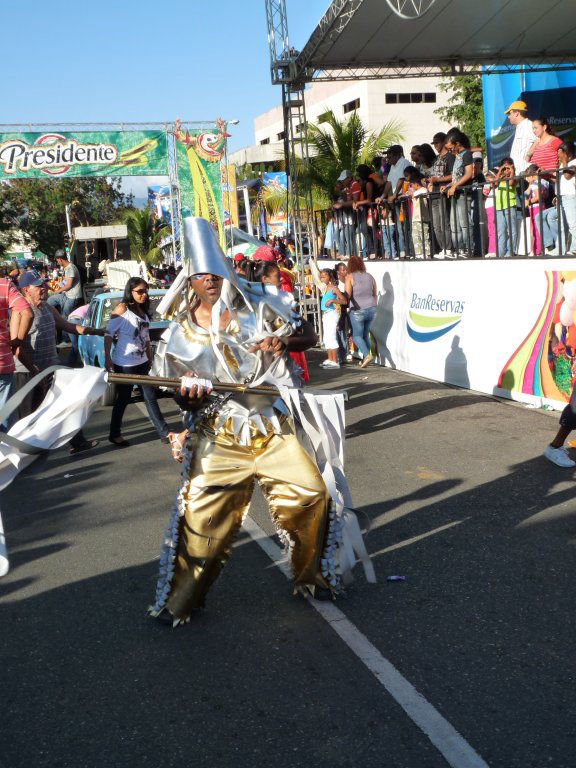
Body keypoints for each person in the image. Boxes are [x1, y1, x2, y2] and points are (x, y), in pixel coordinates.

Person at [148, 217, 368, 626]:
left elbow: (307, 335)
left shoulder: (259, 306)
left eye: (215, 272)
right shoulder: (179, 335)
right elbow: (179, 395)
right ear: (190, 282)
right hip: (220, 432)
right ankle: (181, 601)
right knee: (200, 515)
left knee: (311, 495)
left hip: (271, 426)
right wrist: (189, 394)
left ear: (226, 271)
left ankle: (313, 577)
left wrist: (281, 341)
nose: (210, 281)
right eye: (200, 275)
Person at [13, 270, 102, 453]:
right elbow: (17, 348)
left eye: (43, 284)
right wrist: (34, 369)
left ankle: (78, 443)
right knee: (29, 415)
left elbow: (68, 326)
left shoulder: (47, 307)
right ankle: (23, 452)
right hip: (27, 372)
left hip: (51, 369)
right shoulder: (20, 313)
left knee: (64, 407)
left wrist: (95, 331)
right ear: (26, 290)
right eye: (38, 286)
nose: (43, 288)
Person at [104, 277, 172, 448]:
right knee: (123, 399)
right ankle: (114, 433)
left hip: (142, 361)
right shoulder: (122, 309)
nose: (144, 294)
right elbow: (108, 334)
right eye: (139, 291)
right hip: (125, 364)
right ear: (130, 292)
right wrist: (107, 358)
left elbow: (146, 337)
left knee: (150, 397)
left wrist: (149, 357)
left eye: (145, 290)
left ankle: (164, 433)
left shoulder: (142, 310)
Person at [0, 276, 33, 417]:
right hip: (2, 361)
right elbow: (27, 313)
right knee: (5, 418)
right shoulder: (4, 285)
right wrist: (17, 341)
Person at [442, 128, 474, 257]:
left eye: (451, 148)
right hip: (455, 193)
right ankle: (458, 248)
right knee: (455, 224)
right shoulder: (457, 157)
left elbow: (468, 174)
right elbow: (456, 176)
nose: (450, 151)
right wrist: (448, 185)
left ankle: (468, 248)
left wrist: (455, 185)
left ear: (457, 143)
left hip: (463, 193)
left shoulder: (466, 154)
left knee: (464, 223)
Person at [542, 141, 576, 256]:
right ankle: (561, 248)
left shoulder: (573, 162)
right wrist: (547, 176)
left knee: (573, 223)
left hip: (571, 196)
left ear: (567, 152)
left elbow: (567, 176)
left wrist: (564, 159)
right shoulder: (564, 164)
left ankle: (574, 248)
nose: (558, 154)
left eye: (560, 151)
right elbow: (559, 179)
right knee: (562, 225)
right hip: (562, 196)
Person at [344, 255, 377, 368]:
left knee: (357, 336)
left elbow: (347, 296)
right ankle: (366, 358)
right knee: (365, 335)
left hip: (358, 310)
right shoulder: (370, 276)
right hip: (372, 309)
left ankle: (367, 355)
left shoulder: (349, 277)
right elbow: (375, 294)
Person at [427, 132, 455, 258]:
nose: (435, 145)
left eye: (437, 142)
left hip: (444, 192)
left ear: (444, 141)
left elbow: (453, 175)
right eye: (434, 143)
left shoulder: (450, 157)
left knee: (444, 222)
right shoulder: (435, 159)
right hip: (434, 193)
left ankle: (449, 248)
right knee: (436, 225)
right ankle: (443, 248)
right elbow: (433, 175)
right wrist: (428, 181)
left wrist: (438, 180)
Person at [318, 268, 345, 370]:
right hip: (326, 314)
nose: (322, 278)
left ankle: (335, 361)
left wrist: (333, 300)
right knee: (327, 337)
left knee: (332, 336)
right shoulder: (325, 288)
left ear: (330, 277)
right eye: (321, 277)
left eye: (324, 276)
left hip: (332, 314)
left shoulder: (334, 288)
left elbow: (344, 300)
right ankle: (330, 359)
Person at [494, 157, 521, 258]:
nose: (506, 170)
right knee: (501, 231)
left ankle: (510, 252)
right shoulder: (500, 177)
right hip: (499, 207)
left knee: (512, 230)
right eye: (504, 168)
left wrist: (512, 170)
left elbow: (511, 183)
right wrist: (500, 171)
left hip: (510, 205)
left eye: (508, 168)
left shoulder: (515, 177)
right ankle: (501, 253)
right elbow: (495, 184)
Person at [47, 250, 83, 318]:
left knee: (64, 316)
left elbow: (69, 285)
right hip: (66, 295)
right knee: (50, 300)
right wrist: (56, 286)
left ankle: (63, 326)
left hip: (72, 297)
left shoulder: (70, 268)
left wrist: (58, 291)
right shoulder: (66, 268)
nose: (57, 263)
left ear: (60, 259)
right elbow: (65, 282)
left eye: (57, 261)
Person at [524, 163, 550, 256]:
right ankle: (541, 248)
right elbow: (527, 192)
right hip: (541, 206)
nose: (526, 179)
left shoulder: (535, 184)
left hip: (535, 207)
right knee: (540, 227)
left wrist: (528, 202)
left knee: (536, 229)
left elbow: (537, 197)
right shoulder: (542, 182)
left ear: (531, 175)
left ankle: (537, 250)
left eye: (527, 176)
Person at [406, 168, 431, 258]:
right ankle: (419, 253)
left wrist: (412, 194)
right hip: (415, 218)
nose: (411, 187)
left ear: (416, 184)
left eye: (412, 185)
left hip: (423, 218)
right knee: (415, 236)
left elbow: (422, 193)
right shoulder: (416, 192)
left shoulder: (423, 190)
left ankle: (427, 253)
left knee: (424, 235)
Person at [506, 100, 533, 175]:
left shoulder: (529, 125)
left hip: (526, 172)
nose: (508, 117)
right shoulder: (519, 127)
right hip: (518, 173)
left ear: (517, 113)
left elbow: (539, 140)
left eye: (510, 113)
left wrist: (529, 154)